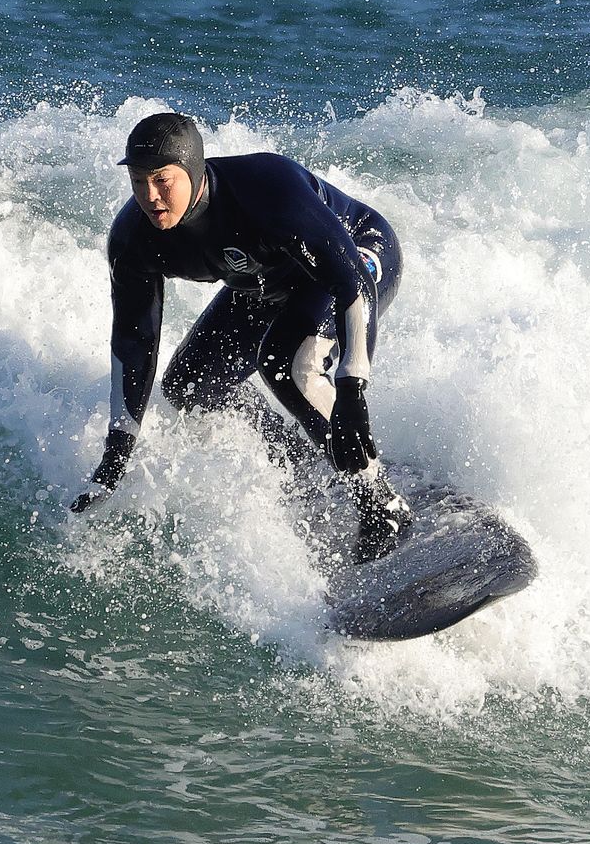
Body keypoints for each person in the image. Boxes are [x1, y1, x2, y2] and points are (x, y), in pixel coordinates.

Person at [68, 112, 413, 564]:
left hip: (358, 252)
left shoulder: (267, 189)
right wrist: (116, 453)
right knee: (189, 386)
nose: (150, 197)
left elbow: (350, 283)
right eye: (138, 181)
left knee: (286, 362)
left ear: (193, 171)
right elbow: (134, 343)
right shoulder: (134, 240)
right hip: (267, 282)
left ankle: (381, 504)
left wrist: (352, 390)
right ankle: (298, 450)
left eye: (162, 180)